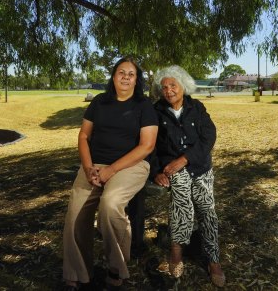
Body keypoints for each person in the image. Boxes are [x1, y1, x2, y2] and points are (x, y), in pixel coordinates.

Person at [62, 57, 158, 290]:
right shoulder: (99, 102)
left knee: (110, 203)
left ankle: (117, 267)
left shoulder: (144, 106)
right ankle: (78, 271)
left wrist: (111, 170)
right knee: (75, 213)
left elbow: (147, 146)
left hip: (131, 166)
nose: (125, 77)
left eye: (131, 74)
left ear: (137, 80)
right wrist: (88, 167)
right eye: (121, 72)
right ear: (113, 77)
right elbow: (84, 136)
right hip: (94, 164)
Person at [151, 65, 226, 288]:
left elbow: (209, 136)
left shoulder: (197, 107)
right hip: (174, 169)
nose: (168, 90)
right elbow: (150, 145)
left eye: (173, 85)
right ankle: (176, 253)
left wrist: (185, 159)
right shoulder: (156, 111)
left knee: (207, 210)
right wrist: (156, 171)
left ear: (183, 86)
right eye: (164, 87)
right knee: (181, 204)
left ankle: (214, 261)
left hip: (199, 166)